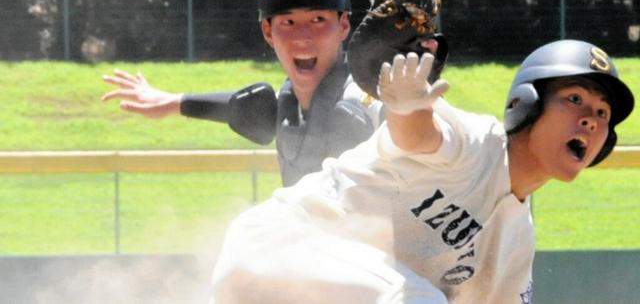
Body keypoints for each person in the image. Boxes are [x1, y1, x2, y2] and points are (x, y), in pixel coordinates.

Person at [207, 39, 634, 303]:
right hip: (277, 249)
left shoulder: (516, 242)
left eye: (602, 112)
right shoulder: (476, 142)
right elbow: (419, 135)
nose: (591, 120)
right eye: (574, 99)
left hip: (322, 294)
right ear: (527, 103)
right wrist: (408, 107)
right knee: (418, 300)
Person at [102, 0, 445, 187]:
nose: (303, 36)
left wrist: (413, 108)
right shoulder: (286, 106)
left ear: (344, 26)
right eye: (288, 22)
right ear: (268, 32)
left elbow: (415, 133)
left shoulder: (366, 95)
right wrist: (175, 102)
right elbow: (242, 108)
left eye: (318, 20)